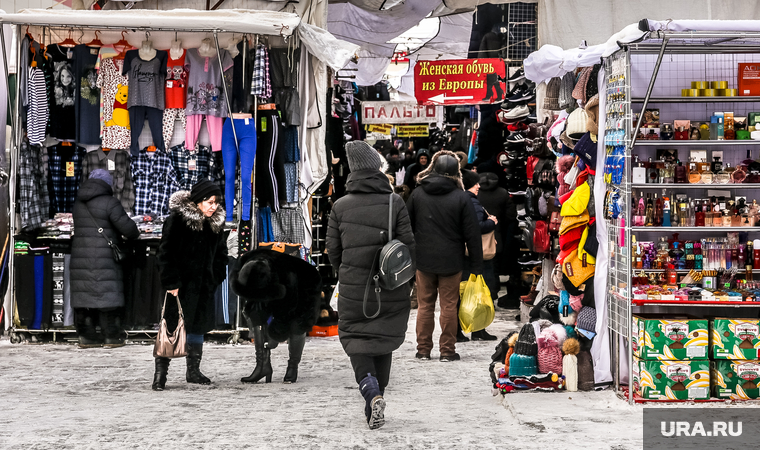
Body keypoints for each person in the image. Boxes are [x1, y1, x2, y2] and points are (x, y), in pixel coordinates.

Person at [326, 140, 416, 430]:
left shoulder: (340, 206)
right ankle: (378, 395)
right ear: (378, 168)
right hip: (390, 285)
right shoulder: (394, 202)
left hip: (354, 287)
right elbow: (408, 245)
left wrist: (346, 271)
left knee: (356, 340)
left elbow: (333, 250)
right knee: (383, 338)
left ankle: (371, 390)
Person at [406, 150, 483, 361]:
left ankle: (423, 350)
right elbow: (472, 234)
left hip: (423, 259)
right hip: (451, 260)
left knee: (425, 306)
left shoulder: (418, 194)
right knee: (449, 306)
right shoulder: (461, 197)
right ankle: (447, 351)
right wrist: (477, 265)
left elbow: (407, 227)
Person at [154, 180, 228, 391]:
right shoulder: (177, 220)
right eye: (209, 201)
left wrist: (215, 277)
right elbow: (165, 253)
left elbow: (221, 254)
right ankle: (160, 375)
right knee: (170, 329)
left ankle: (193, 371)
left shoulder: (215, 223)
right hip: (179, 286)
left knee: (197, 327)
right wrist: (171, 281)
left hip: (204, 285)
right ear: (197, 201)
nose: (213, 206)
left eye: (216, 202)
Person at [70, 169, 140, 349]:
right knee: (108, 297)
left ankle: (87, 337)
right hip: (105, 259)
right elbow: (129, 230)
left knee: (84, 298)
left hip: (80, 259)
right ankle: (112, 337)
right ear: (107, 184)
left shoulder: (78, 203)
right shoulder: (110, 203)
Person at [457, 169, 498, 341]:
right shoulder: (472, 202)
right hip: (476, 254)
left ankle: (465, 329)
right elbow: (476, 227)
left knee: (465, 291)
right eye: (475, 183)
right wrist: (491, 222)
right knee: (479, 291)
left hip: (464, 254)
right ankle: (477, 329)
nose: (478, 186)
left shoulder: (461, 199)